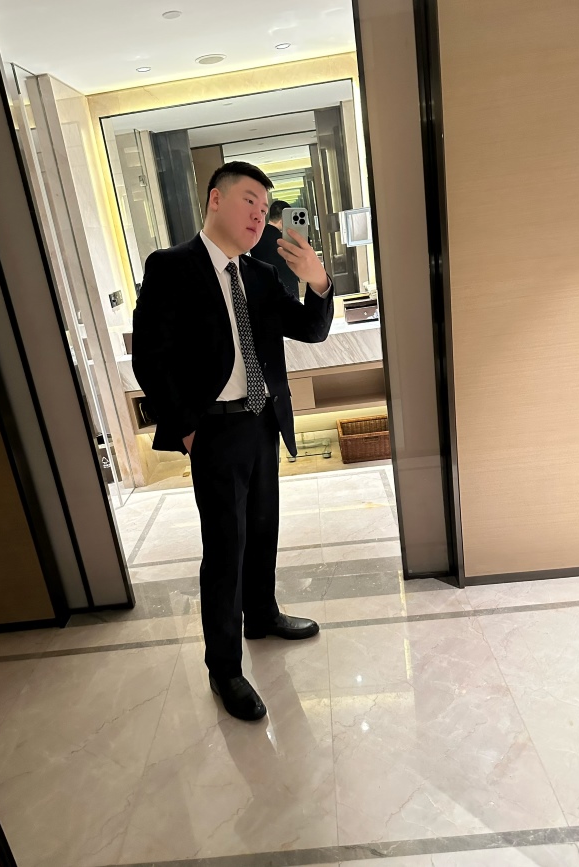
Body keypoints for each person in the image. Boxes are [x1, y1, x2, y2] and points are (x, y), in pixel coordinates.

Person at [132, 161, 333, 722]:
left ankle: (262, 615)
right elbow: (150, 357)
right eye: (249, 201)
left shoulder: (261, 274)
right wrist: (188, 427)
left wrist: (317, 282)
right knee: (225, 548)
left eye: (265, 209)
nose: (259, 215)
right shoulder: (171, 266)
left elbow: (311, 329)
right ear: (216, 200)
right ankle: (223, 668)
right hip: (214, 430)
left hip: (261, 421)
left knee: (263, 529)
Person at [250, 199, 300, 297]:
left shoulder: (257, 236)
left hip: (263, 288)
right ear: (283, 219)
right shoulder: (283, 240)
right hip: (286, 288)